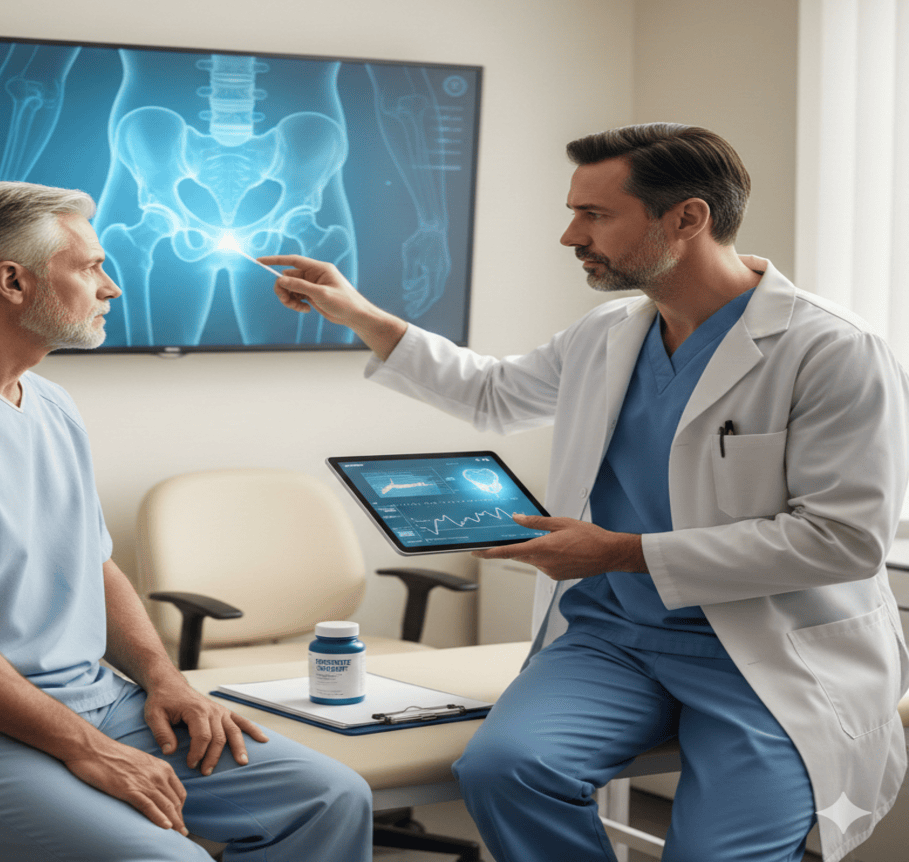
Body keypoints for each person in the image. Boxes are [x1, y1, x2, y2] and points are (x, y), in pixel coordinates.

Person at [261, 123, 909, 862]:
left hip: (768, 648)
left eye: (594, 215)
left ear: (687, 219)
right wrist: (358, 313)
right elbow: (495, 394)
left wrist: (623, 552)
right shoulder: (609, 333)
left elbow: (845, 540)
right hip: (615, 642)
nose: (571, 235)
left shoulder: (832, 350)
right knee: (508, 770)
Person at [0, 181, 373, 862]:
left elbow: (94, 564)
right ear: (12, 282)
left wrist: (164, 679)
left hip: (87, 697)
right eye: (90, 267)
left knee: (330, 798)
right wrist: (87, 749)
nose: (111, 288)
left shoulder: (50, 403)